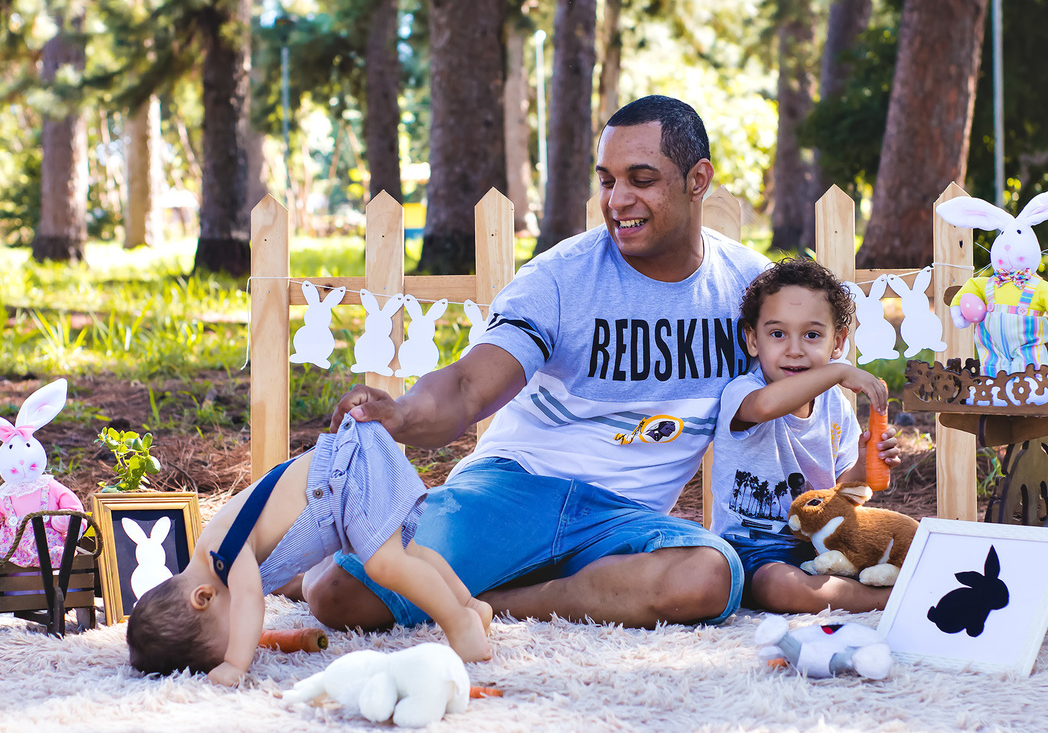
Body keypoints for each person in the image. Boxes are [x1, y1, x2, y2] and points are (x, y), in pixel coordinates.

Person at [301, 95, 899, 631]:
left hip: (623, 526)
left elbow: (798, 397)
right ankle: (456, 574)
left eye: (641, 179)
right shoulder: (561, 277)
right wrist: (402, 413)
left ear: (698, 181)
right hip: (518, 489)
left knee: (710, 578)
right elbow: (465, 384)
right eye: (608, 180)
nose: (617, 201)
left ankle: (495, 600)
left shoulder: (751, 290)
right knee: (339, 596)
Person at [126, 418, 491, 685]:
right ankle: (472, 606)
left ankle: (460, 626)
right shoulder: (215, 561)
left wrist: (236, 663)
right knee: (407, 554)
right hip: (341, 491)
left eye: (233, 634)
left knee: (385, 564)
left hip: (347, 470)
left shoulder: (221, 554)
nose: (244, 636)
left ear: (202, 597)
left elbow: (252, 600)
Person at [710, 257, 897, 614]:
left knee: (886, 543)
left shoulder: (834, 406)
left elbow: (846, 491)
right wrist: (838, 372)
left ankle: (869, 582)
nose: (794, 350)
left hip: (822, 542)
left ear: (837, 341)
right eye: (777, 334)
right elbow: (765, 407)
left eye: (812, 335)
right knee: (780, 587)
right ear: (752, 340)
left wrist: (867, 462)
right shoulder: (743, 392)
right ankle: (882, 601)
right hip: (752, 548)